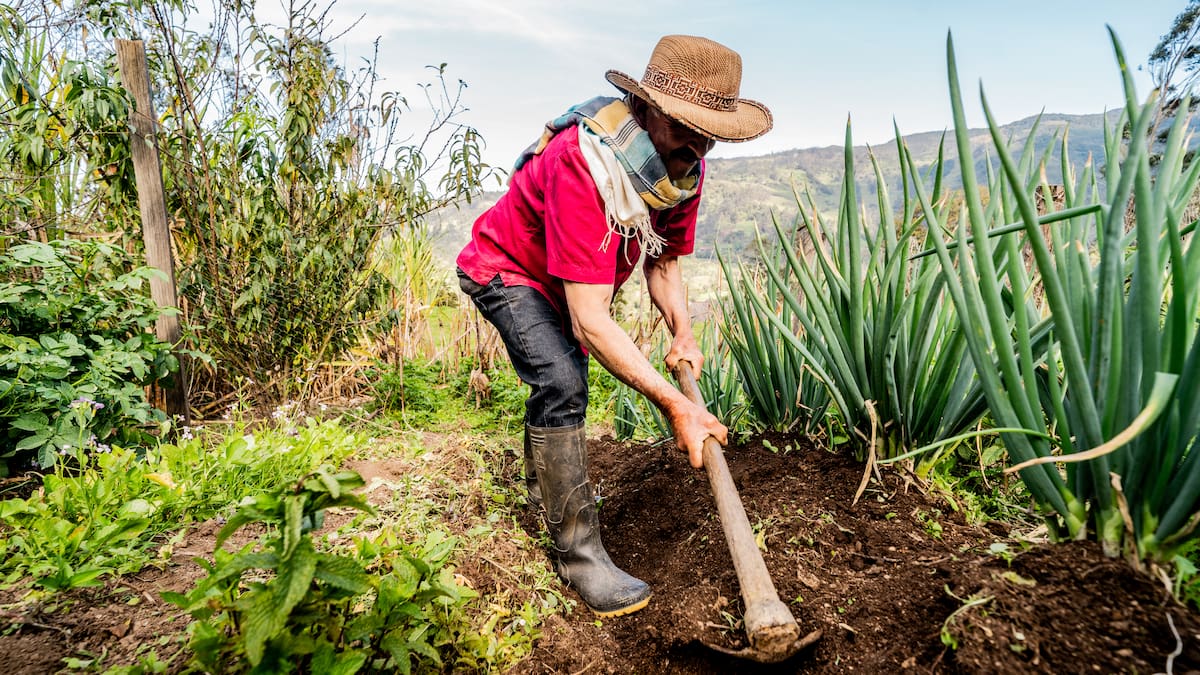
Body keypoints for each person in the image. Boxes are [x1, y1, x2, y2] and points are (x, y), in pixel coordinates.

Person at [456, 35, 772, 617]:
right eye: (683, 126)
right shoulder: (586, 162)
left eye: (708, 133)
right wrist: (676, 404)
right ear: (648, 109)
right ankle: (578, 555)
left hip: (563, 282)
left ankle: (544, 491)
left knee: (563, 374)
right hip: (506, 269)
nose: (697, 143)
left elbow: (664, 261)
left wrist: (683, 328)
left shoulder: (679, 173)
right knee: (562, 379)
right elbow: (590, 319)